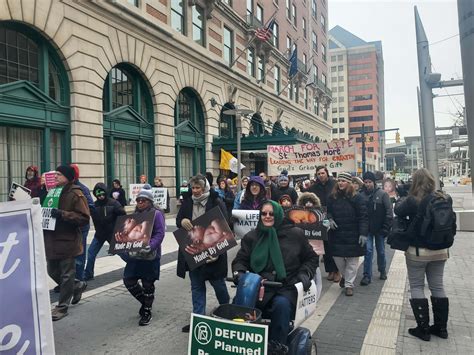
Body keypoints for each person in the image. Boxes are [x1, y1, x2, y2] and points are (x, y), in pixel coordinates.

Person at [232, 201, 318, 352]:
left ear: (278, 215)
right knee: (237, 304)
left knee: (281, 306)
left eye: (271, 213)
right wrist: (239, 272)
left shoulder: (295, 234)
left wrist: (305, 273)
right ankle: (241, 344)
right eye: (264, 213)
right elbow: (240, 260)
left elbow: (311, 258)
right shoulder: (251, 237)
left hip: (286, 287)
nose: (267, 216)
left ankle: (276, 346)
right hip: (257, 286)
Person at [394, 168, 452, 341]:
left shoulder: (412, 200)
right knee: (437, 286)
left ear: (415, 182)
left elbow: (398, 210)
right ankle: (441, 328)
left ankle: (423, 329)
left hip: (418, 252)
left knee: (417, 286)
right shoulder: (444, 197)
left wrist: (403, 194)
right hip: (441, 251)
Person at [176, 174, 230, 333]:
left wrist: (218, 252)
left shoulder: (216, 202)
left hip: (213, 252)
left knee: (218, 285)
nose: (195, 191)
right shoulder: (187, 203)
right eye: (193, 188)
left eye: (198, 187)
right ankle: (198, 320)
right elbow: (179, 220)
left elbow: (224, 226)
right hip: (194, 253)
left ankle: (227, 313)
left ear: (204, 187)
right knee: (197, 287)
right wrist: (182, 222)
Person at [43, 165, 90, 321]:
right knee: (52, 271)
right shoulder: (53, 191)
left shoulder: (76, 193)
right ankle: (77, 285)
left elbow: (84, 218)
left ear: (68, 177)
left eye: (59, 174)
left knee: (66, 274)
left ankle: (62, 307)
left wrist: (63, 214)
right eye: (55, 174)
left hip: (67, 241)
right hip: (51, 240)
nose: (55, 177)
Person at [120, 185, 166, 326]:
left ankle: (147, 310)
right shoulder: (134, 216)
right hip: (135, 256)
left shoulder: (156, 214)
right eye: (138, 200)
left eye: (143, 200)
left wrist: (150, 246)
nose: (140, 203)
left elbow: (160, 233)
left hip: (150, 255)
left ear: (150, 201)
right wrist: (120, 246)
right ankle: (145, 302)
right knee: (129, 280)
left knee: (147, 284)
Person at [327, 172, 368, 296]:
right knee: (338, 259)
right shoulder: (332, 197)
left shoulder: (358, 197)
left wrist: (363, 233)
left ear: (349, 183)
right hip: (337, 233)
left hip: (353, 233)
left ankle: (349, 284)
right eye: (339, 181)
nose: (340, 183)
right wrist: (330, 219)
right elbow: (328, 211)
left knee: (352, 261)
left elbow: (363, 217)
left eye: (343, 181)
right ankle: (345, 277)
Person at [84, 183, 126, 281]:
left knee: (123, 253)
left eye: (102, 194)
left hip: (112, 234)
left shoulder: (114, 203)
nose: (101, 196)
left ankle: (134, 267)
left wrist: (120, 229)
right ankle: (88, 273)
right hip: (99, 234)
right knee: (91, 253)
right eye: (99, 195)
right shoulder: (94, 205)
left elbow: (123, 216)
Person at [359, 172, 393, 286]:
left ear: (374, 182)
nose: (367, 184)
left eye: (370, 182)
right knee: (368, 251)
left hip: (380, 228)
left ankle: (382, 270)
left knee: (381, 251)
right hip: (366, 229)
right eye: (366, 182)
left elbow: (389, 212)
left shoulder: (382, 194)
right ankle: (367, 275)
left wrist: (386, 228)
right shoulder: (361, 195)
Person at [309, 166, 340, 283]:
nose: (321, 175)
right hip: (319, 218)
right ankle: (330, 270)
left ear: (327, 173)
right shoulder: (313, 187)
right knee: (325, 247)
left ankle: (337, 270)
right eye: (319, 173)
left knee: (333, 245)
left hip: (333, 218)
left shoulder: (334, 184)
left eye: (323, 173)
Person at [70, 164, 95, 282]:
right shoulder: (64, 188)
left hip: (81, 226)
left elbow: (91, 205)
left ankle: (79, 280)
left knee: (79, 254)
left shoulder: (82, 189)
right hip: (69, 226)